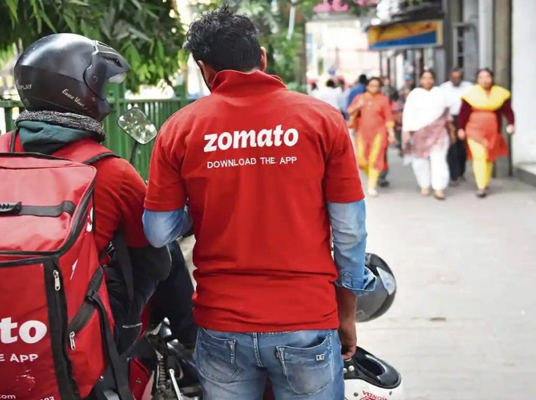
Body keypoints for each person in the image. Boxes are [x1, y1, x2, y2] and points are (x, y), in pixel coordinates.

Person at [142, 6, 374, 400]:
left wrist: (199, 212)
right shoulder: (321, 120)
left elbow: (158, 231)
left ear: (205, 70)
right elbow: (350, 229)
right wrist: (347, 313)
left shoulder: (180, 128)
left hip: (221, 325)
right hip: (306, 321)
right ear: (262, 58)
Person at [0, 34, 178, 352]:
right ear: (83, 90)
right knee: (167, 255)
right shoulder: (112, 171)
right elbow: (155, 264)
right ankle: (187, 343)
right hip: (72, 318)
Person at [458, 68, 516, 198]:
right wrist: (461, 128)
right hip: (473, 129)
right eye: (481, 77)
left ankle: (485, 182)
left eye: (487, 77)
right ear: (477, 79)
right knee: (479, 156)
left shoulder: (500, 94)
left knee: (489, 157)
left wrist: (511, 123)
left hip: (492, 130)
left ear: (492, 78)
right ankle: (481, 187)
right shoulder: (470, 94)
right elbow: (463, 113)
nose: (485, 80)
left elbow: (508, 111)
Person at [401, 70, 452, 200]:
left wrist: (452, 129)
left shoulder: (440, 93)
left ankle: (439, 188)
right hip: (419, 132)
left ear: (434, 79)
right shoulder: (415, 94)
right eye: (424, 78)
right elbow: (408, 113)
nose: (427, 81)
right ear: (420, 80)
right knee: (419, 161)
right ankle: (424, 185)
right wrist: (406, 131)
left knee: (439, 160)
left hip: (438, 131)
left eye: (430, 78)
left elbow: (447, 112)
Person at [348, 77, 396, 197]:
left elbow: (388, 117)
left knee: (375, 159)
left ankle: (371, 185)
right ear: (367, 86)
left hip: (379, 133)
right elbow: (349, 111)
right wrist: (358, 106)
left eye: (376, 86)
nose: (374, 88)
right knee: (362, 160)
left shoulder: (383, 100)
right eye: (371, 85)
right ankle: (372, 178)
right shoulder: (359, 98)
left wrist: (391, 133)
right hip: (362, 133)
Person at [440, 68, 473, 185]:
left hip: (465, 118)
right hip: (450, 118)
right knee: (451, 147)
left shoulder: (468, 87)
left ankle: (461, 172)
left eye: (458, 77)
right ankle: (453, 175)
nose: (456, 80)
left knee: (462, 147)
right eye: (454, 77)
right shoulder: (443, 88)